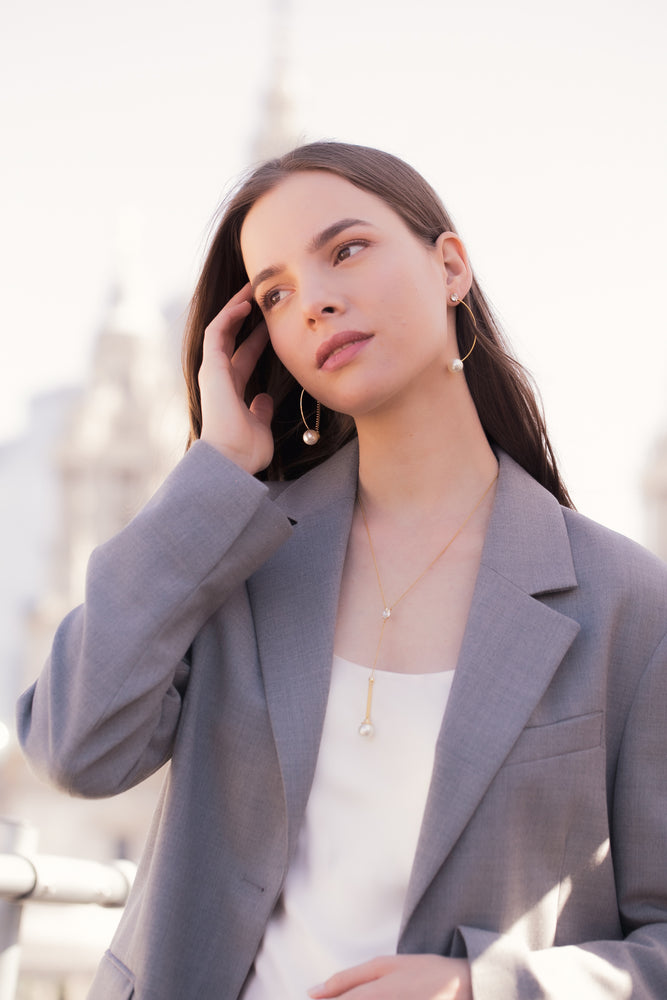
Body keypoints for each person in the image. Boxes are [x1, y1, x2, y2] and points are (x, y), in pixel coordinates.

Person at [17, 141, 667, 999]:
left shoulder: (623, 601)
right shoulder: (233, 553)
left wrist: (482, 988)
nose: (316, 301)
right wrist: (214, 473)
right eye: (277, 293)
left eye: (346, 250)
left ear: (450, 268)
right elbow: (75, 749)